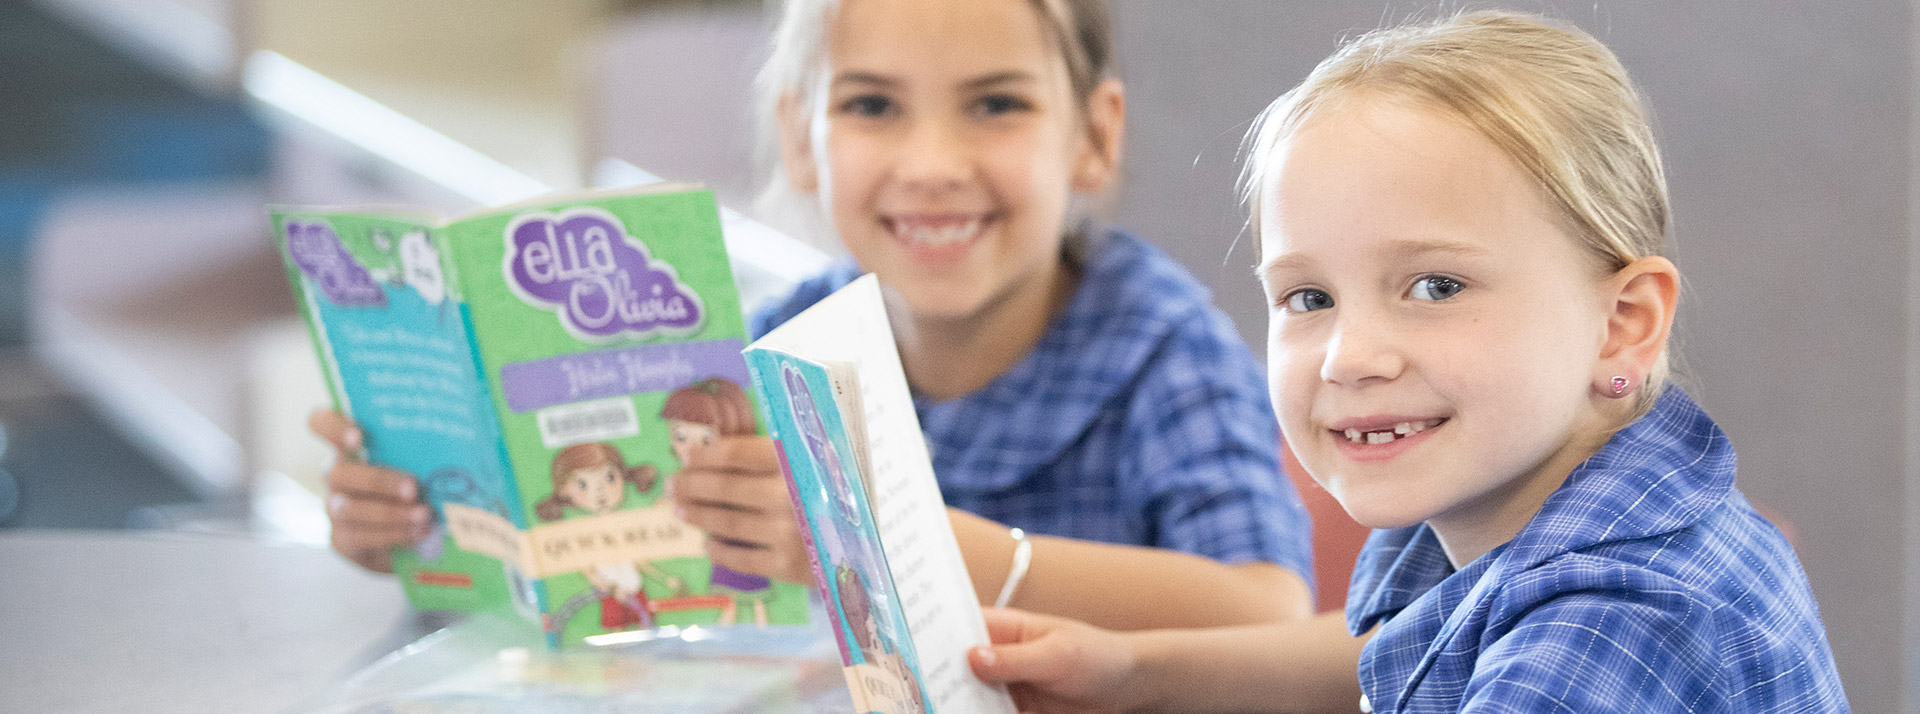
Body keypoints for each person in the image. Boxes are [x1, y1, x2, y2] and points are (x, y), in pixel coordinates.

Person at [314, 0, 1315, 632]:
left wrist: (906, 549)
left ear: (1093, 136)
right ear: (801, 138)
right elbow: (645, 582)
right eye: (872, 106)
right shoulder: (779, 348)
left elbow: (1269, 618)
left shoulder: (1165, 351)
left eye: (996, 104)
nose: (931, 164)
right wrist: (429, 524)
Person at [967, 11, 1850, 713]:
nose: (1350, 357)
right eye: (1308, 298)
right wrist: (1134, 674)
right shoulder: (1519, 507)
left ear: (1622, 324)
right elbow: (1389, 652)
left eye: (1435, 287)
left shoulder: (1617, 623)